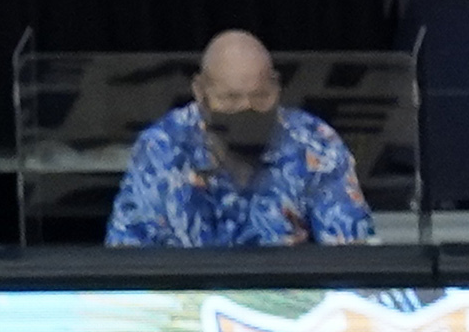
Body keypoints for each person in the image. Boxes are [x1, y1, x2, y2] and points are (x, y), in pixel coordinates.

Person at [104, 33, 374, 251]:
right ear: (200, 91)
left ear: (277, 87)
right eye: (231, 99)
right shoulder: (161, 148)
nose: (246, 110)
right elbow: (128, 257)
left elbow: (352, 256)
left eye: (259, 97)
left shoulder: (316, 145)